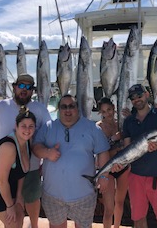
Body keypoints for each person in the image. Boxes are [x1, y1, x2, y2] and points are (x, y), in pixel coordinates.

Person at [0, 73, 51, 228]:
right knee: (12, 213)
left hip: (30, 165)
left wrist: (46, 157)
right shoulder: (0, 106)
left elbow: (49, 131)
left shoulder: (40, 109)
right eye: (21, 85)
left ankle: (34, 225)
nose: (24, 90)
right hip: (3, 171)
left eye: (28, 87)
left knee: (32, 199)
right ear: (14, 87)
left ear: (32, 91)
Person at [32, 94, 110, 228]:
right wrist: (47, 153)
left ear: (77, 108)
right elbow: (36, 146)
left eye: (71, 106)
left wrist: (104, 175)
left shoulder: (92, 128)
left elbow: (103, 151)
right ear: (58, 110)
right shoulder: (48, 127)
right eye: (63, 107)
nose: (68, 110)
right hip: (53, 196)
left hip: (84, 196)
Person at [113, 84, 157, 228]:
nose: (137, 100)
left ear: (147, 94)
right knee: (138, 220)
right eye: (133, 98)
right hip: (136, 178)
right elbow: (127, 149)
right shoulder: (129, 122)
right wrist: (119, 164)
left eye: (139, 96)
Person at [96, 97, 130, 228]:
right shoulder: (98, 127)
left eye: (109, 110)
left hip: (123, 168)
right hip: (107, 169)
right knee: (109, 208)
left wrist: (131, 117)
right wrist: (114, 138)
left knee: (120, 203)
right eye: (104, 112)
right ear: (101, 113)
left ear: (114, 109)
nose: (107, 113)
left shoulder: (121, 123)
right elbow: (99, 150)